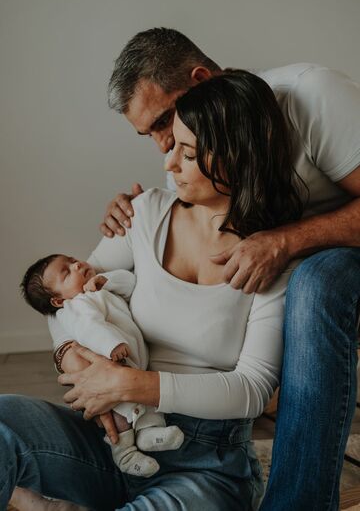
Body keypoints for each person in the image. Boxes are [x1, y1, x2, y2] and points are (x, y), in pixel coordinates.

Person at [2, 70, 301, 511]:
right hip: (112, 443)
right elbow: (63, 296)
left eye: (187, 152)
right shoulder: (144, 213)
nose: (167, 164)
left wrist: (132, 384)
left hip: (206, 466)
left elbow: (252, 390)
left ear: (236, 157)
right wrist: (67, 352)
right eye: (171, 143)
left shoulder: (272, 257)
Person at [97, 28, 360, 510]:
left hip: (341, 250)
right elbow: (78, 282)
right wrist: (132, 218)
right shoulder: (186, 156)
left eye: (163, 123)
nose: (163, 150)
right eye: (150, 136)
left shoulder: (312, 96)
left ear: (201, 81)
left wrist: (287, 239)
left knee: (314, 284)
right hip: (289, 252)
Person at [20, 254, 184, 478]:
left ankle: (148, 433)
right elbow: (89, 327)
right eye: (66, 272)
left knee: (145, 400)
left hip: (135, 362)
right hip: (111, 363)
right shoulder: (76, 306)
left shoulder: (98, 289)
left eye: (72, 260)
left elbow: (131, 282)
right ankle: (125, 454)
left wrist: (105, 280)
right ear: (58, 301)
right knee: (119, 415)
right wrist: (111, 345)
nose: (76, 264)